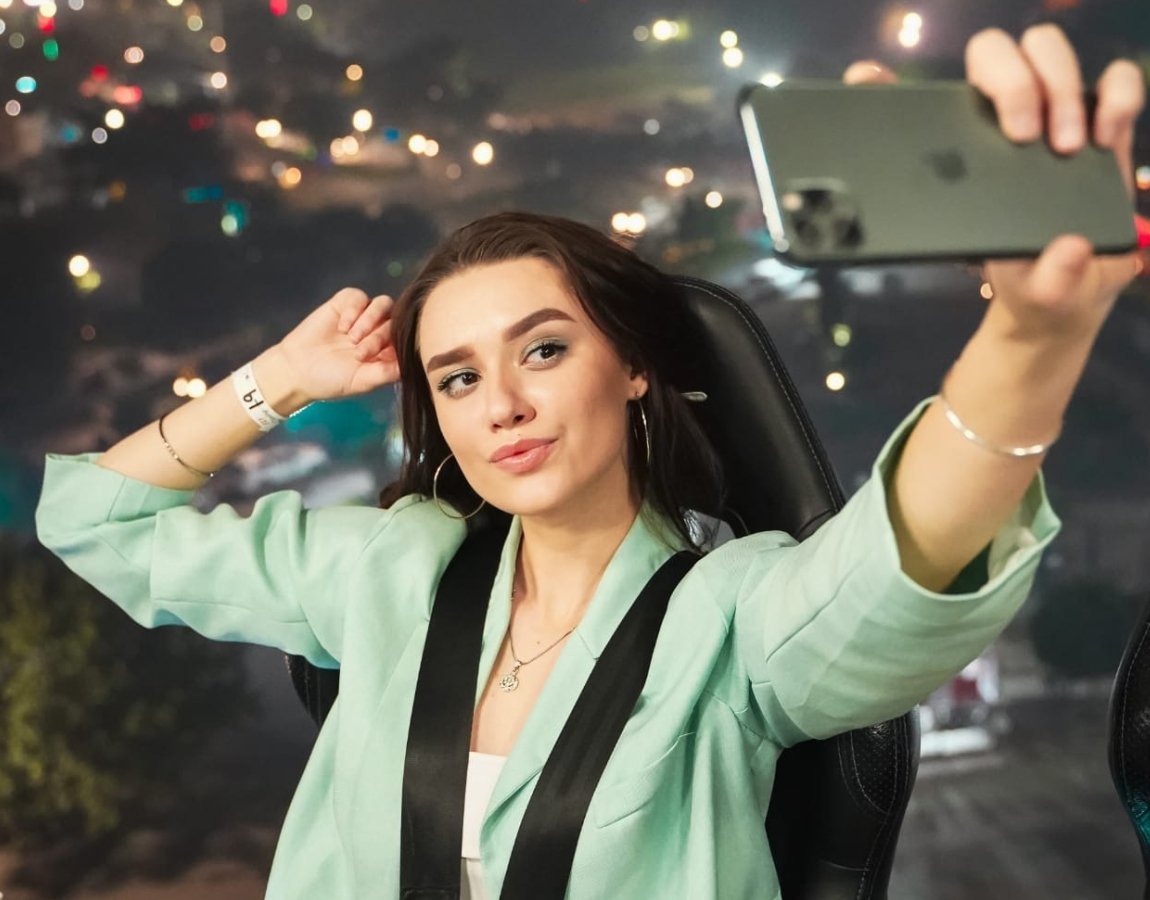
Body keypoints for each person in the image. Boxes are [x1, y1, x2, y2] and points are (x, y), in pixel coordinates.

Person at [35, 26, 1144, 900]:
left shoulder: (725, 619)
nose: (502, 405)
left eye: (544, 350)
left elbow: (896, 564)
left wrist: (1032, 338)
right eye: (456, 378)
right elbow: (96, 523)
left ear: (632, 369)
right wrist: (279, 376)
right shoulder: (386, 571)